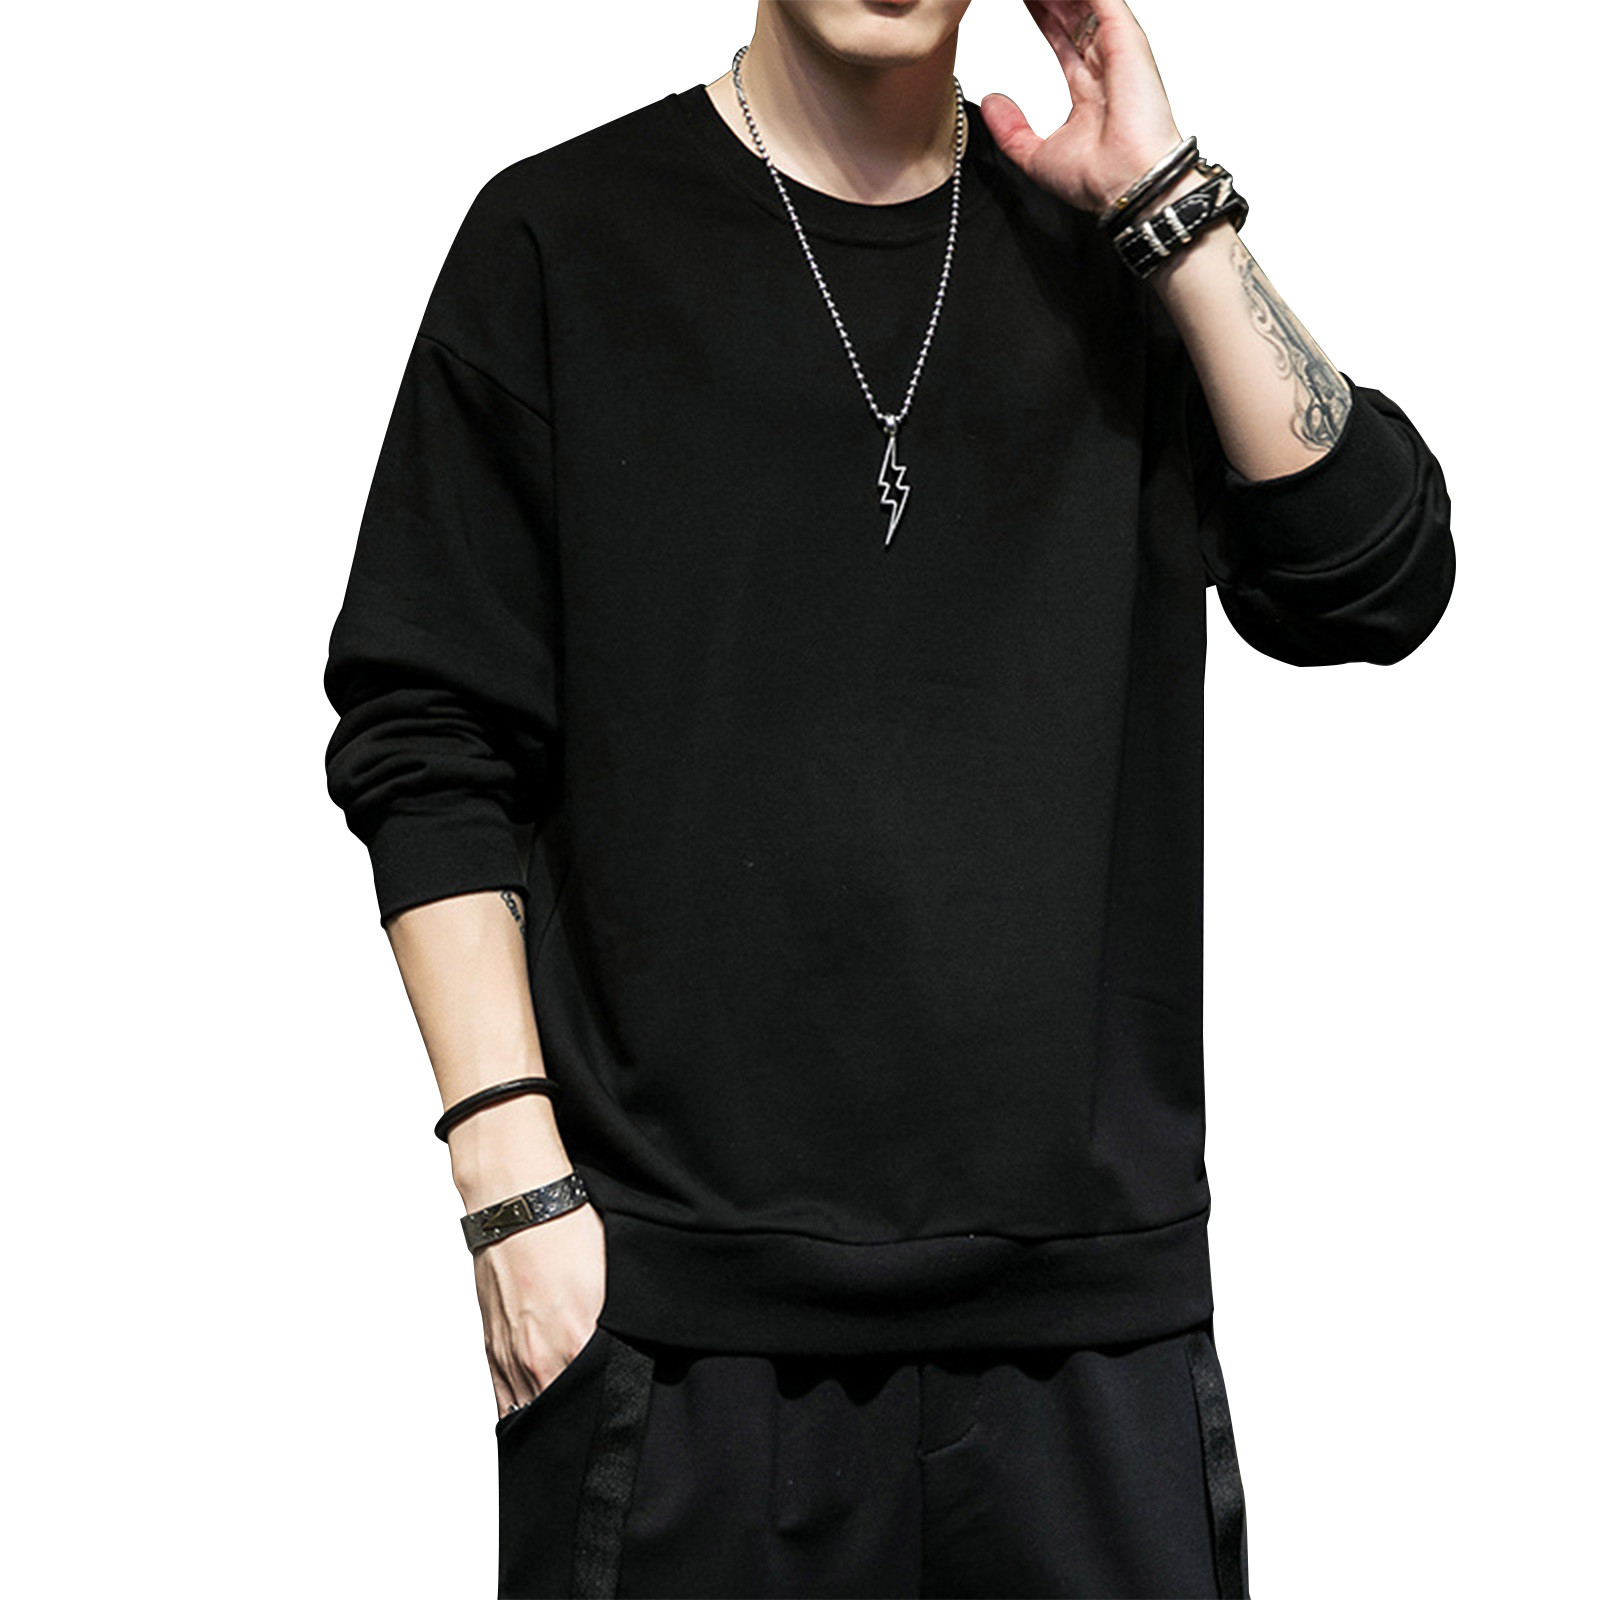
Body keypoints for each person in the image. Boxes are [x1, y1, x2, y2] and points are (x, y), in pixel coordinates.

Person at [322, 1, 1454, 1595]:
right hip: (678, 1336)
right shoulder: (562, 240)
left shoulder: (1120, 257)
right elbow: (427, 731)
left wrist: (1171, 207)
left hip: (1086, 1345)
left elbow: (1376, 581)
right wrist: (511, 1190)